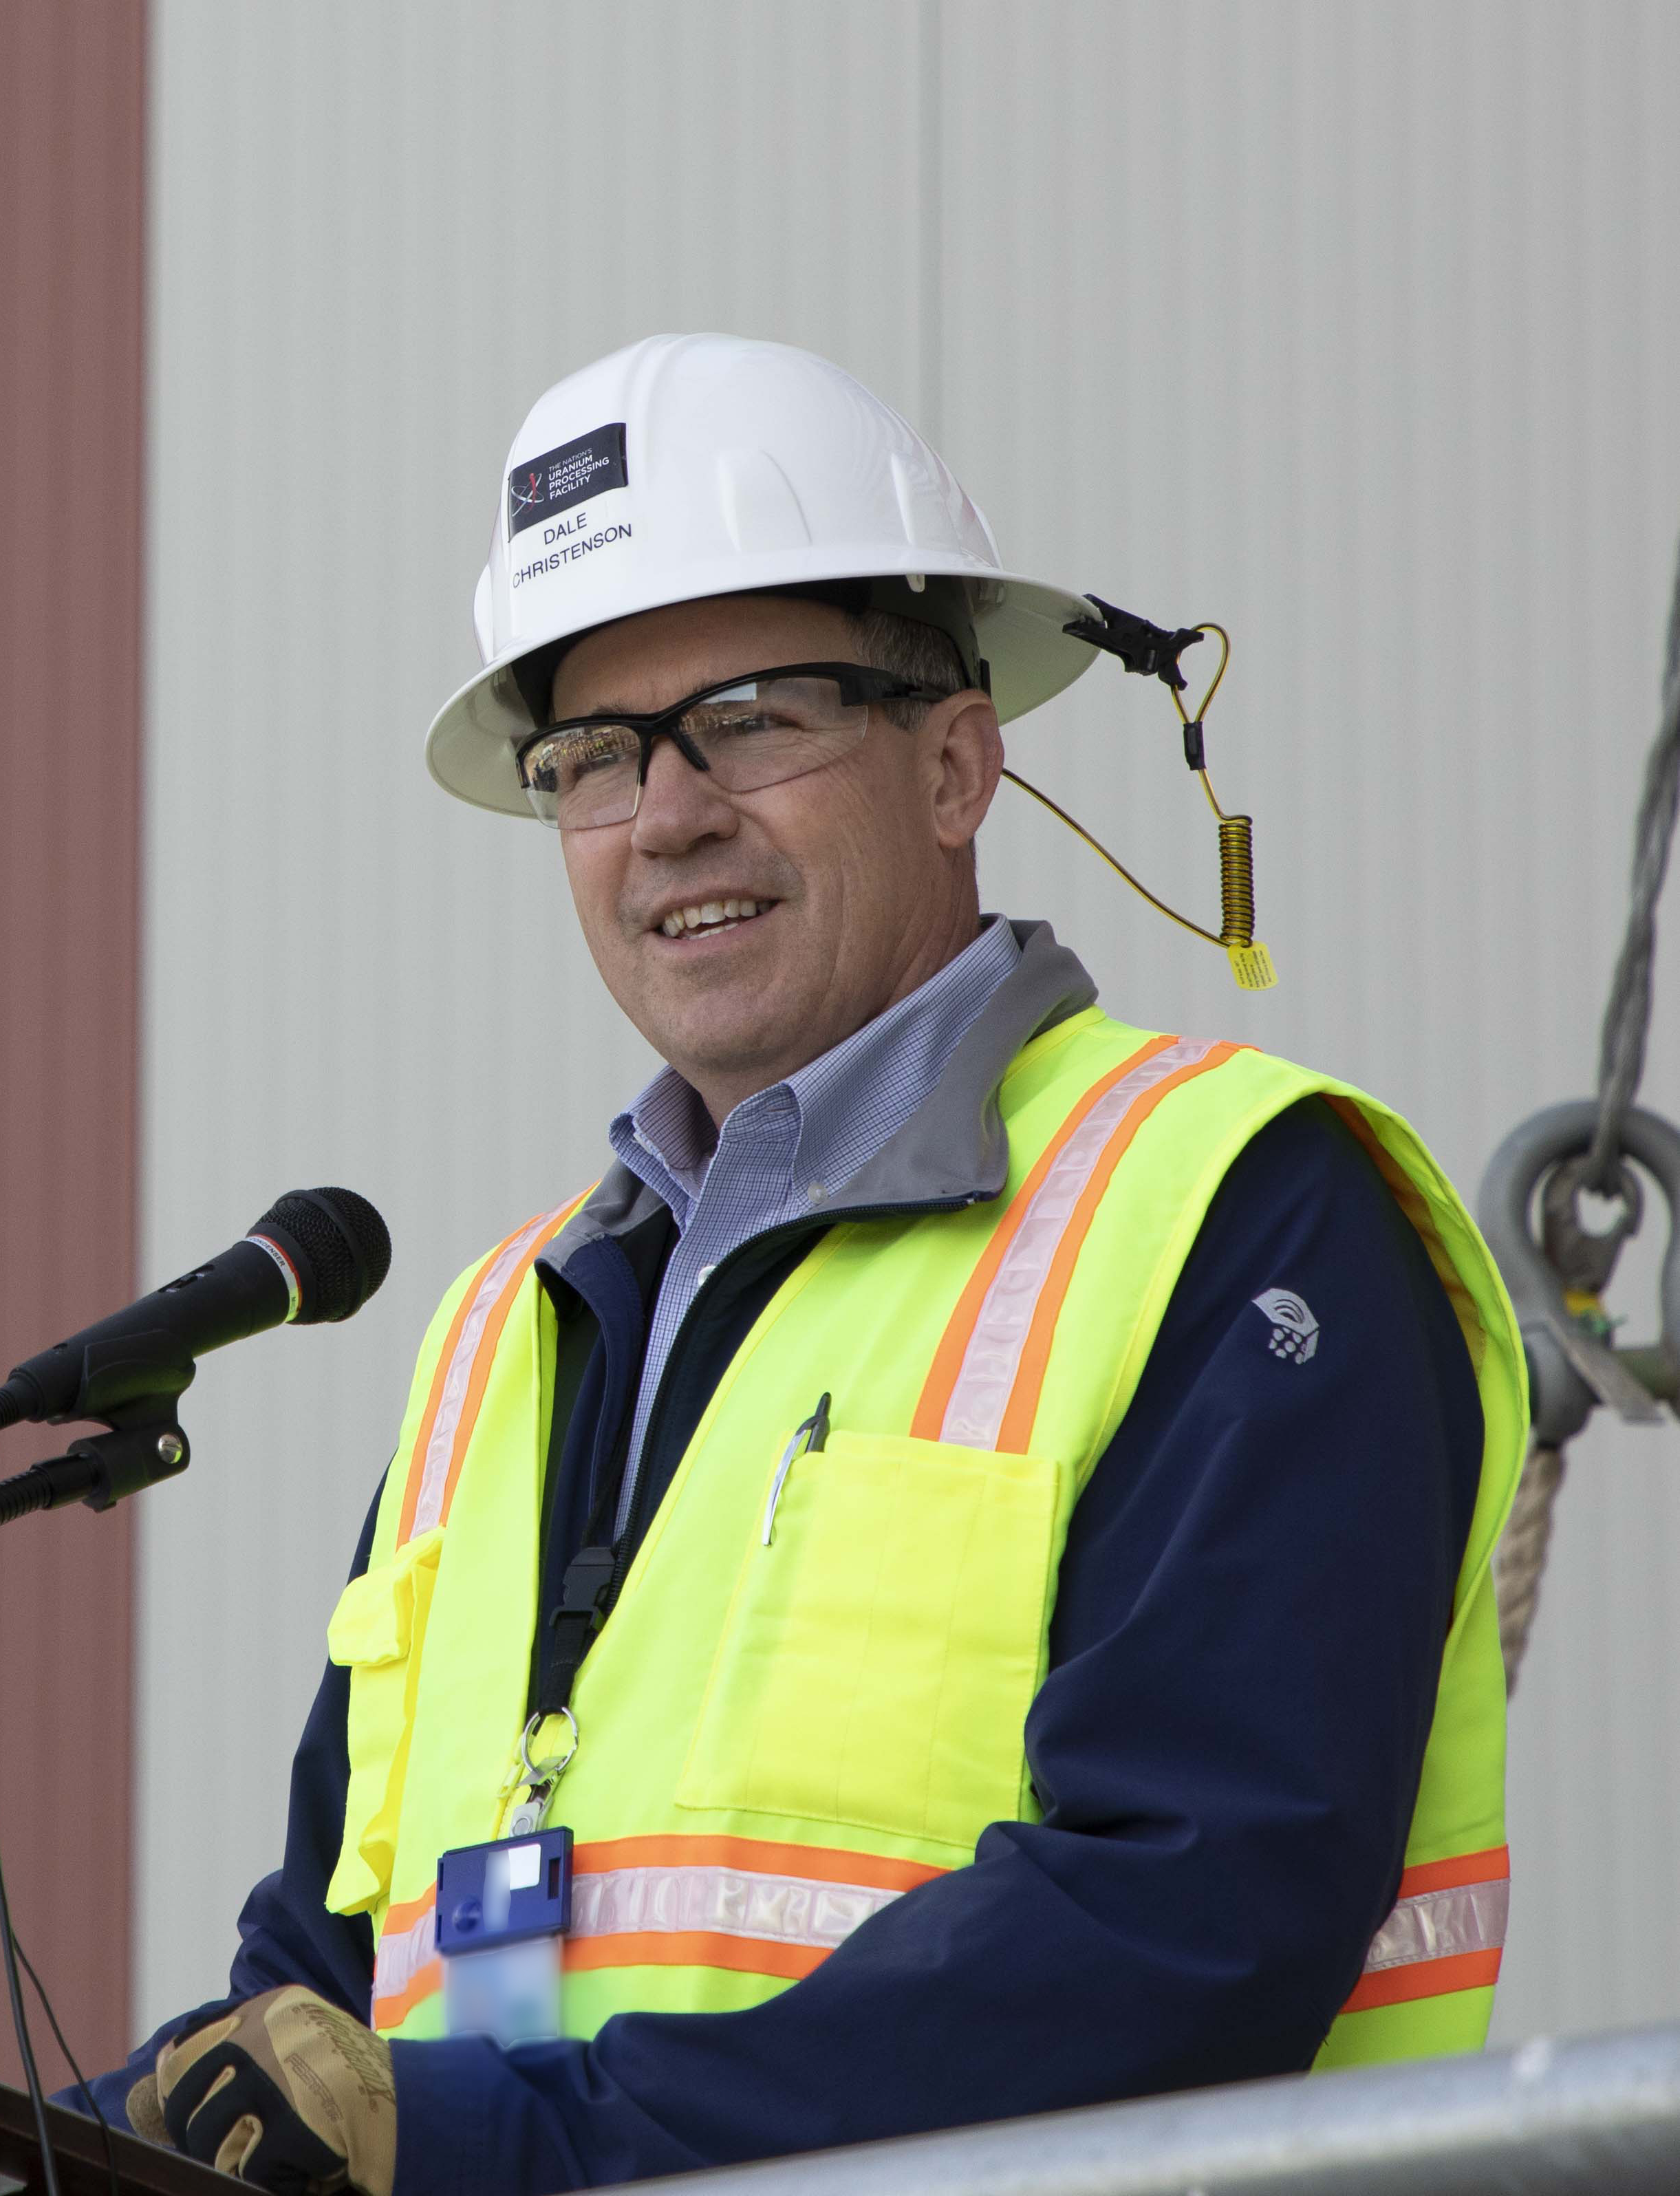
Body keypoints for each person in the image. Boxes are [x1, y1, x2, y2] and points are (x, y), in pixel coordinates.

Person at [79, 334, 1527, 2193]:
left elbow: (1186, 1924)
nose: (664, 814)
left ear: (953, 765)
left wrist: (499, 2145)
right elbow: (320, 1988)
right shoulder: (490, 1344)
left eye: (749, 716)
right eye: (590, 757)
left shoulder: (1231, 1209)